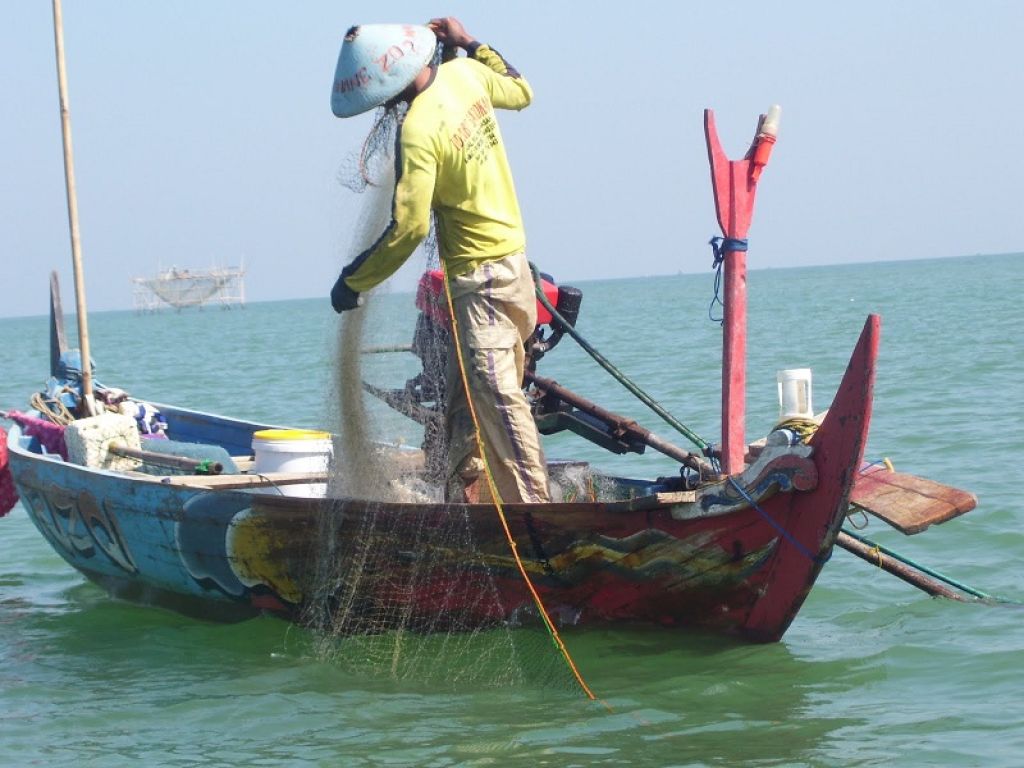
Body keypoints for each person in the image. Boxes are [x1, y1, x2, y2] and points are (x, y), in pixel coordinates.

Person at [329, 18, 550, 504]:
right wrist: (470, 42)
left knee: (497, 400)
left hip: (481, 283)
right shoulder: (466, 75)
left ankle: (537, 518)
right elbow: (522, 89)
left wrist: (353, 281)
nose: (385, 107)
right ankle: (463, 504)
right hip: (515, 272)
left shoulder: (417, 131)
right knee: (464, 402)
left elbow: (406, 230)